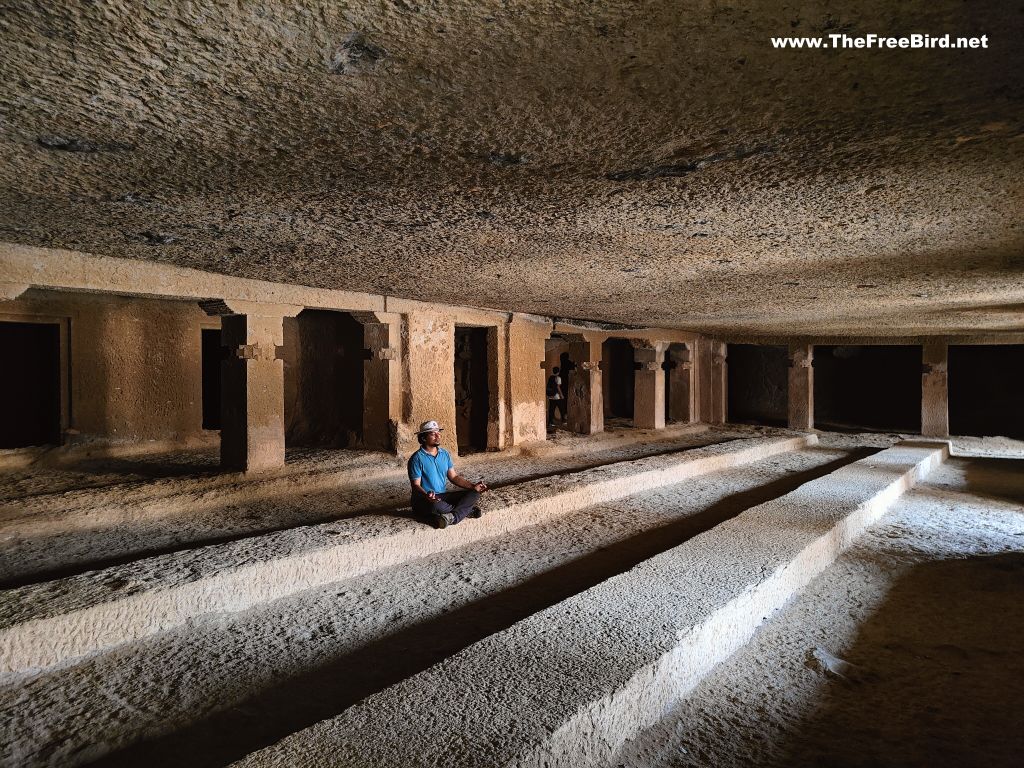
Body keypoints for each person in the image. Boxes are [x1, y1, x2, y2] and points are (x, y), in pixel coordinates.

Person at [408, 420, 489, 529]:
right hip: (424, 500)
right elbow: (416, 485)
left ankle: (453, 516)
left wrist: (473, 486)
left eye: (438, 432)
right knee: (436, 506)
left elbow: (454, 477)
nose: (438, 436)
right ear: (423, 437)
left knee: (474, 493)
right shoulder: (416, 459)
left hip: (442, 496)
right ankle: (464, 511)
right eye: (433, 434)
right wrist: (427, 496)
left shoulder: (444, 454)